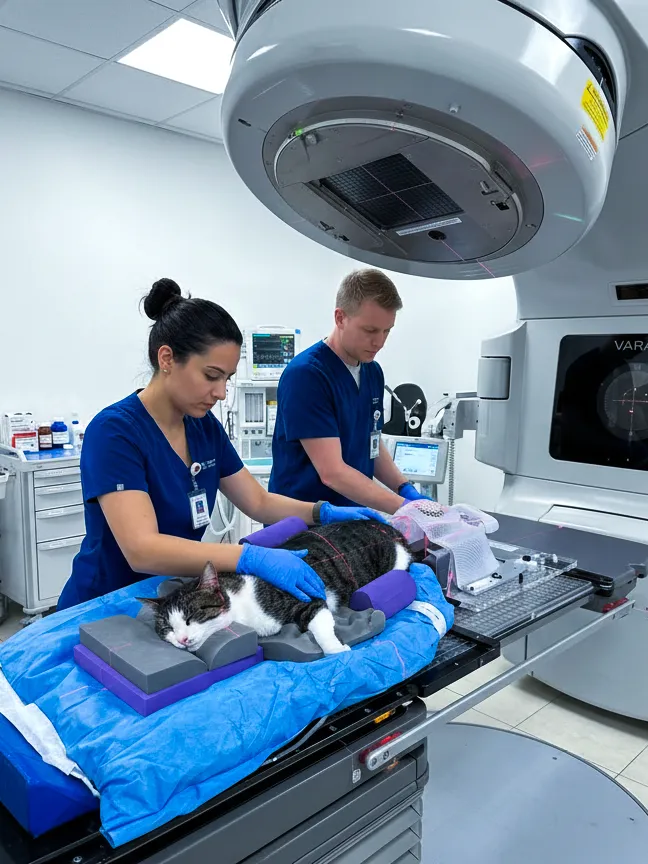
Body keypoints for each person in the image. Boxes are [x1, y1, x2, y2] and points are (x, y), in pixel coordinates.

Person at [57, 279, 385, 610]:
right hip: (105, 605)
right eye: (211, 376)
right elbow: (142, 548)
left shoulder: (203, 427)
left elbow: (256, 501)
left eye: (227, 379)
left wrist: (321, 512)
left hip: (173, 600)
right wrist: (248, 557)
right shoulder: (115, 432)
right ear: (167, 359)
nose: (221, 393)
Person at [270, 268, 431, 514]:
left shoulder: (372, 372)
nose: (380, 342)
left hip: (352, 519)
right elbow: (332, 473)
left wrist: (404, 489)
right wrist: (404, 508)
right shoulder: (307, 375)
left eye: (387, 330)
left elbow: (372, 445)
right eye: (370, 330)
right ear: (340, 318)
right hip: (301, 525)